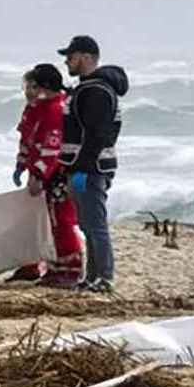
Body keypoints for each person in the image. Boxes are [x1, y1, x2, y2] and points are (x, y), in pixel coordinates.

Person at [57, 36, 128, 294]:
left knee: (95, 224)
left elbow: (97, 134)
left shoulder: (95, 90)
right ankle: (93, 277)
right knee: (87, 223)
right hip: (86, 167)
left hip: (91, 168)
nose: (67, 61)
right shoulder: (87, 88)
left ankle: (104, 278)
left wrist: (80, 168)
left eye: (71, 56)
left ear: (86, 57)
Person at [6, 64, 83, 287]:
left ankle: (70, 268)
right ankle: (39, 264)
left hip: (57, 173)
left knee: (62, 220)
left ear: (44, 87)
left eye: (32, 86)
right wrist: (21, 164)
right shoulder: (34, 108)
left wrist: (39, 174)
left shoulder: (56, 109)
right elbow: (27, 138)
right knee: (40, 219)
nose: (28, 91)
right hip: (39, 169)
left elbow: (52, 146)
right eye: (27, 86)